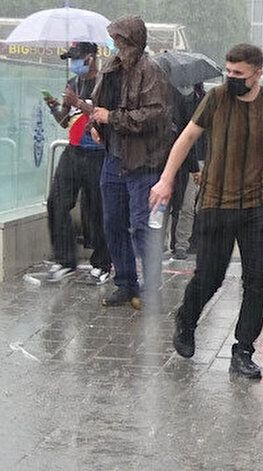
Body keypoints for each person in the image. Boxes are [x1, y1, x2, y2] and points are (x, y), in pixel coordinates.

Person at [149, 43, 263, 379]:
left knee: (259, 279)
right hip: (216, 203)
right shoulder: (216, 98)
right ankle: (186, 321)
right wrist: (165, 180)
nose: (232, 78)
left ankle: (243, 350)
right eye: (229, 72)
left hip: (259, 205)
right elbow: (187, 138)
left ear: (257, 73)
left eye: (239, 74)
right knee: (210, 277)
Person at [90, 16, 172, 308]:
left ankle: (151, 286)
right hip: (112, 159)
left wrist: (112, 118)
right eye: (115, 41)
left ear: (133, 42)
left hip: (142, 163)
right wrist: (96, 125)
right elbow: (99, 105)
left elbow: (154, 114)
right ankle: (125, 282)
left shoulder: (151, 72)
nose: (116, 47)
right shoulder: (111, 69)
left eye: (121, 41)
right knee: (112, 223)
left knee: (141, 226)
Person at [43, 42, 111, 285]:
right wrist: (55, 107)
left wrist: (79, 103)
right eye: (71, 59)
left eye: (78, 58)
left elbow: (106, 115)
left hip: (98, 153)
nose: (74, 63)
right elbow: (65, 121)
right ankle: (64, 260)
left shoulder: (106, 82)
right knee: (56, 202)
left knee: (97, 210)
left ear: (91, 58)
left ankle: (102, 264)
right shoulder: (72, 83)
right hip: (73, 151)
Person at [166, 83, 206, 260]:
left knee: (187, 204)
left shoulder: (205, 100)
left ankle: (182, 244)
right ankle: (163, 244)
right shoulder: (171, 98)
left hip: (197, 158)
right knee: (166, 204)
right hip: (173, 158)